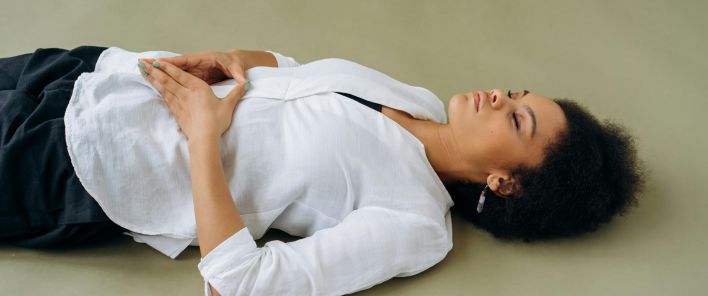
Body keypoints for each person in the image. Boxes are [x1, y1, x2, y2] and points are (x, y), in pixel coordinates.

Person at [0, 46, 645, 296]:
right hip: (96, 75)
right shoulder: (418, 98)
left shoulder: (416, 224)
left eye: (517, 121)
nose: (500, 97)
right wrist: (230, 61)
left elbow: (240, 283)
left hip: (83, 170)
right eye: (518, 92)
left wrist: (204, 134)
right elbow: (295, 72)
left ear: (507, 183)